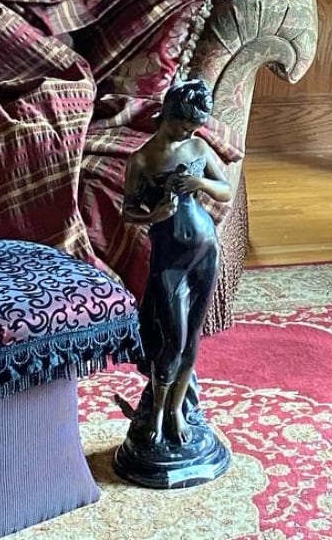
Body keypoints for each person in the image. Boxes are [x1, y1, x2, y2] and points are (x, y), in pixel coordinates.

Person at [121, 77, 232, 448]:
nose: (190, 130)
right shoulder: (142, 159)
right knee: (173, 338)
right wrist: (155, 214)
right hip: (170, 261)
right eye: (185, 123)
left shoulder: (197, 146)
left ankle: (176, 410)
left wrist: (199, 184)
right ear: (169, 114)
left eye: (196, 125)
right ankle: (155, 410)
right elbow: (128, 212)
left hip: (205, 253)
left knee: (192, 341)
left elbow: (225, 189)